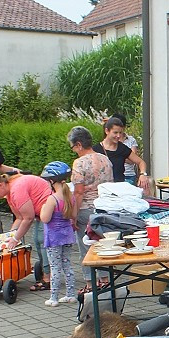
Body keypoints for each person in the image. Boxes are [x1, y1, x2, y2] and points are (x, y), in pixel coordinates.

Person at [68, 125, 114, 292]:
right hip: (105, 208)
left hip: (86, 209)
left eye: (73, 147)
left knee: (86, 247)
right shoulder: (105, 159)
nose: (74, 151)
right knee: (103, 247)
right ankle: (105, 281)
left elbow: (79, 192)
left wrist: (73, 215)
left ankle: (90, 284)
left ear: (79, 144)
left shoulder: (79, 163)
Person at [38, 161, 79, 307]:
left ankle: (53, 298)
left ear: (51, 181)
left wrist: (43, 207)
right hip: (67, 235)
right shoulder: (70, 197)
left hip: (54, 238)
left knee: (55, 267)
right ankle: (70, 294)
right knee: (67, 266)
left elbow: (45, 218)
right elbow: (73, 215)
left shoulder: (52, 199)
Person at [0, 172, 53, 251]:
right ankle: (43, 262)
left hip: (51, 213)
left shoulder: (16, 190)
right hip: (43, 213)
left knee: (41, 239)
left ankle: (47, 263)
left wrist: (15, 239)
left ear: (0, 185)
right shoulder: (9, 193)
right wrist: (9, 236)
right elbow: (19, 218)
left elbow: (29, 218)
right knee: (37, 239)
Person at [93, 116, 152, 193]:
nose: (118, 136)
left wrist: (143, 174)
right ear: (107, 131)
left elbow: (141, 162)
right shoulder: (96, 149)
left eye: (120, 133)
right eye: (115, 132)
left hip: (120, 189)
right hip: (102, 190)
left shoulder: (122, 148)